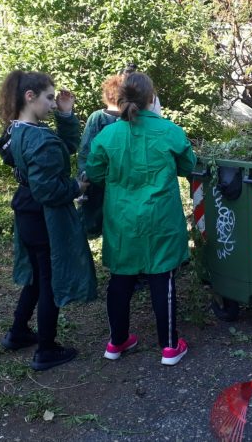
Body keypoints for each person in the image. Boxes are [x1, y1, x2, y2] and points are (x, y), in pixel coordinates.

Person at [85, 72, 195, 366]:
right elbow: (188, 166)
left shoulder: (107, 135)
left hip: (122, 221)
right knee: (163, 278)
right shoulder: (170, 131)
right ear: (152, 99)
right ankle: (170, 347)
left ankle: (117, 342)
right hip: (160, 219)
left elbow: (94, 173)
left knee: (120, 279)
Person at [0, 70, 97, 371]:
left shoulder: (14, 130)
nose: (53, 104)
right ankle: (47, 348)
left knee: (39, 277)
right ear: (30, 97)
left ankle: (17, 332)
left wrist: (67, 116)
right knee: (50, 280)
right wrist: (75, 188)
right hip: (43, 217)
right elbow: (48, 189)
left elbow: (64, 148)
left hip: (26, 210)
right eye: (50, 98)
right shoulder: (39, 139)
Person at [77, 74, 124, 237]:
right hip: (101, 179)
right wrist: (84, 175)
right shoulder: (99, 118)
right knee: (94, 218)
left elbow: (85, 149)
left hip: (111, 178)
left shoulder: (127, 118)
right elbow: (86, 150)